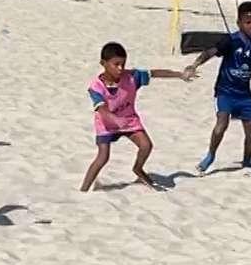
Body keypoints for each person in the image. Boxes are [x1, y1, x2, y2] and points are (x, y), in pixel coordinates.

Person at [81, 42, 196, 192]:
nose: (120, 68)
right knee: (103, 157)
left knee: (146, 146)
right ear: (103, 63)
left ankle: (138, 169)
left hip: (129, 121)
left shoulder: (132, 77)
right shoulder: (96, 87)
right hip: (106, 124)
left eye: (123, 64)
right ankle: (83, 190)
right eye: (116, 64)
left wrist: (180, 75)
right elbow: (102, 110)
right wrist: (115, 120)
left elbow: (154, 73)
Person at [188, 0, 251, 172]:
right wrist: (194, 65)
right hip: (225, 91)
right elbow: (210, 52)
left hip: (244, 94)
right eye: (248, 22)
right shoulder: (231, 40)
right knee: (222, 124)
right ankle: (211, 155)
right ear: (239, 23)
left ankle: (247, 162)